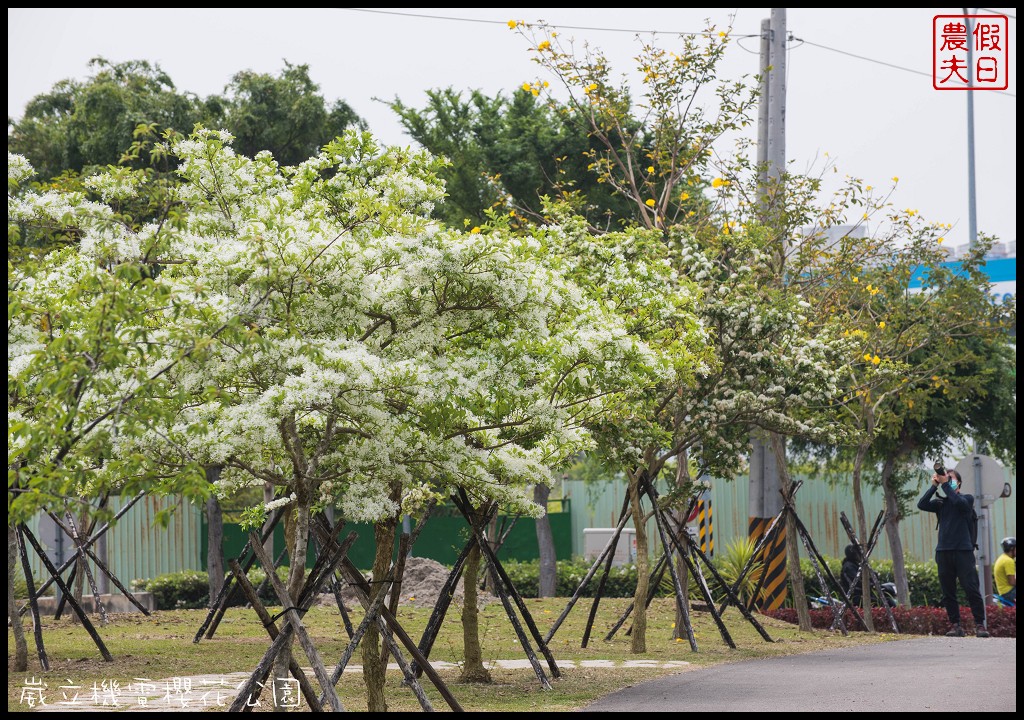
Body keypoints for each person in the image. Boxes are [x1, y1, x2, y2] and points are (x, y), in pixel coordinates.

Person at [917, 467, 989, 637]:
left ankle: (980, 625)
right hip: (943, 551)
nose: (947, 481)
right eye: (945, 478)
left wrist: (945, 485)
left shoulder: (966, 499)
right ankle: (955, 625)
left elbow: (959, 503)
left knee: (971, 588)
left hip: (963, 551)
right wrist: (935, 486)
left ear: (959, 483)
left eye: (951, 479)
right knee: (948, 591)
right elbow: (922, 504)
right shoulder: (941, 504)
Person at [993, 536, 1016, 604]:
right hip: (1009, 593)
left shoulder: (1002, 558)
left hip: (1003, 592)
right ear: (1012, 548)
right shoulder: (1008, 561)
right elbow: (1012, 582)